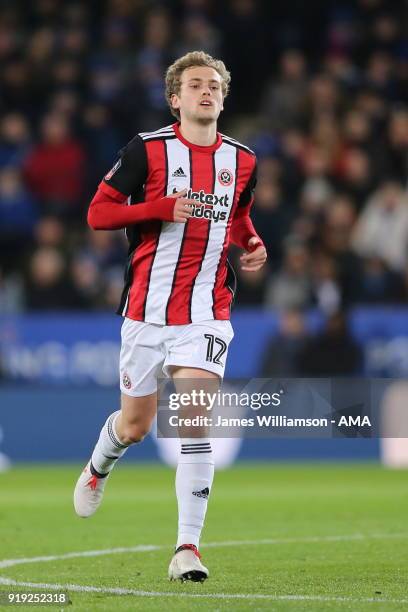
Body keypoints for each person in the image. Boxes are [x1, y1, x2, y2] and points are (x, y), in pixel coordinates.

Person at [73, 51, 267, 582]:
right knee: (135, 426)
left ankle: (188, 548)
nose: (207, 92)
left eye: (215, 86)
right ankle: (98, 465)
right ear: (175, 98)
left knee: (195, 418)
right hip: (146, 312)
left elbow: (239, 214)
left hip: (206, 311)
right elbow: (97, 212)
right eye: (195, 85)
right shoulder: (147, 151)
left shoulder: (243, 160)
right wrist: (155, 208)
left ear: (224, 98)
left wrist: (250, 242)